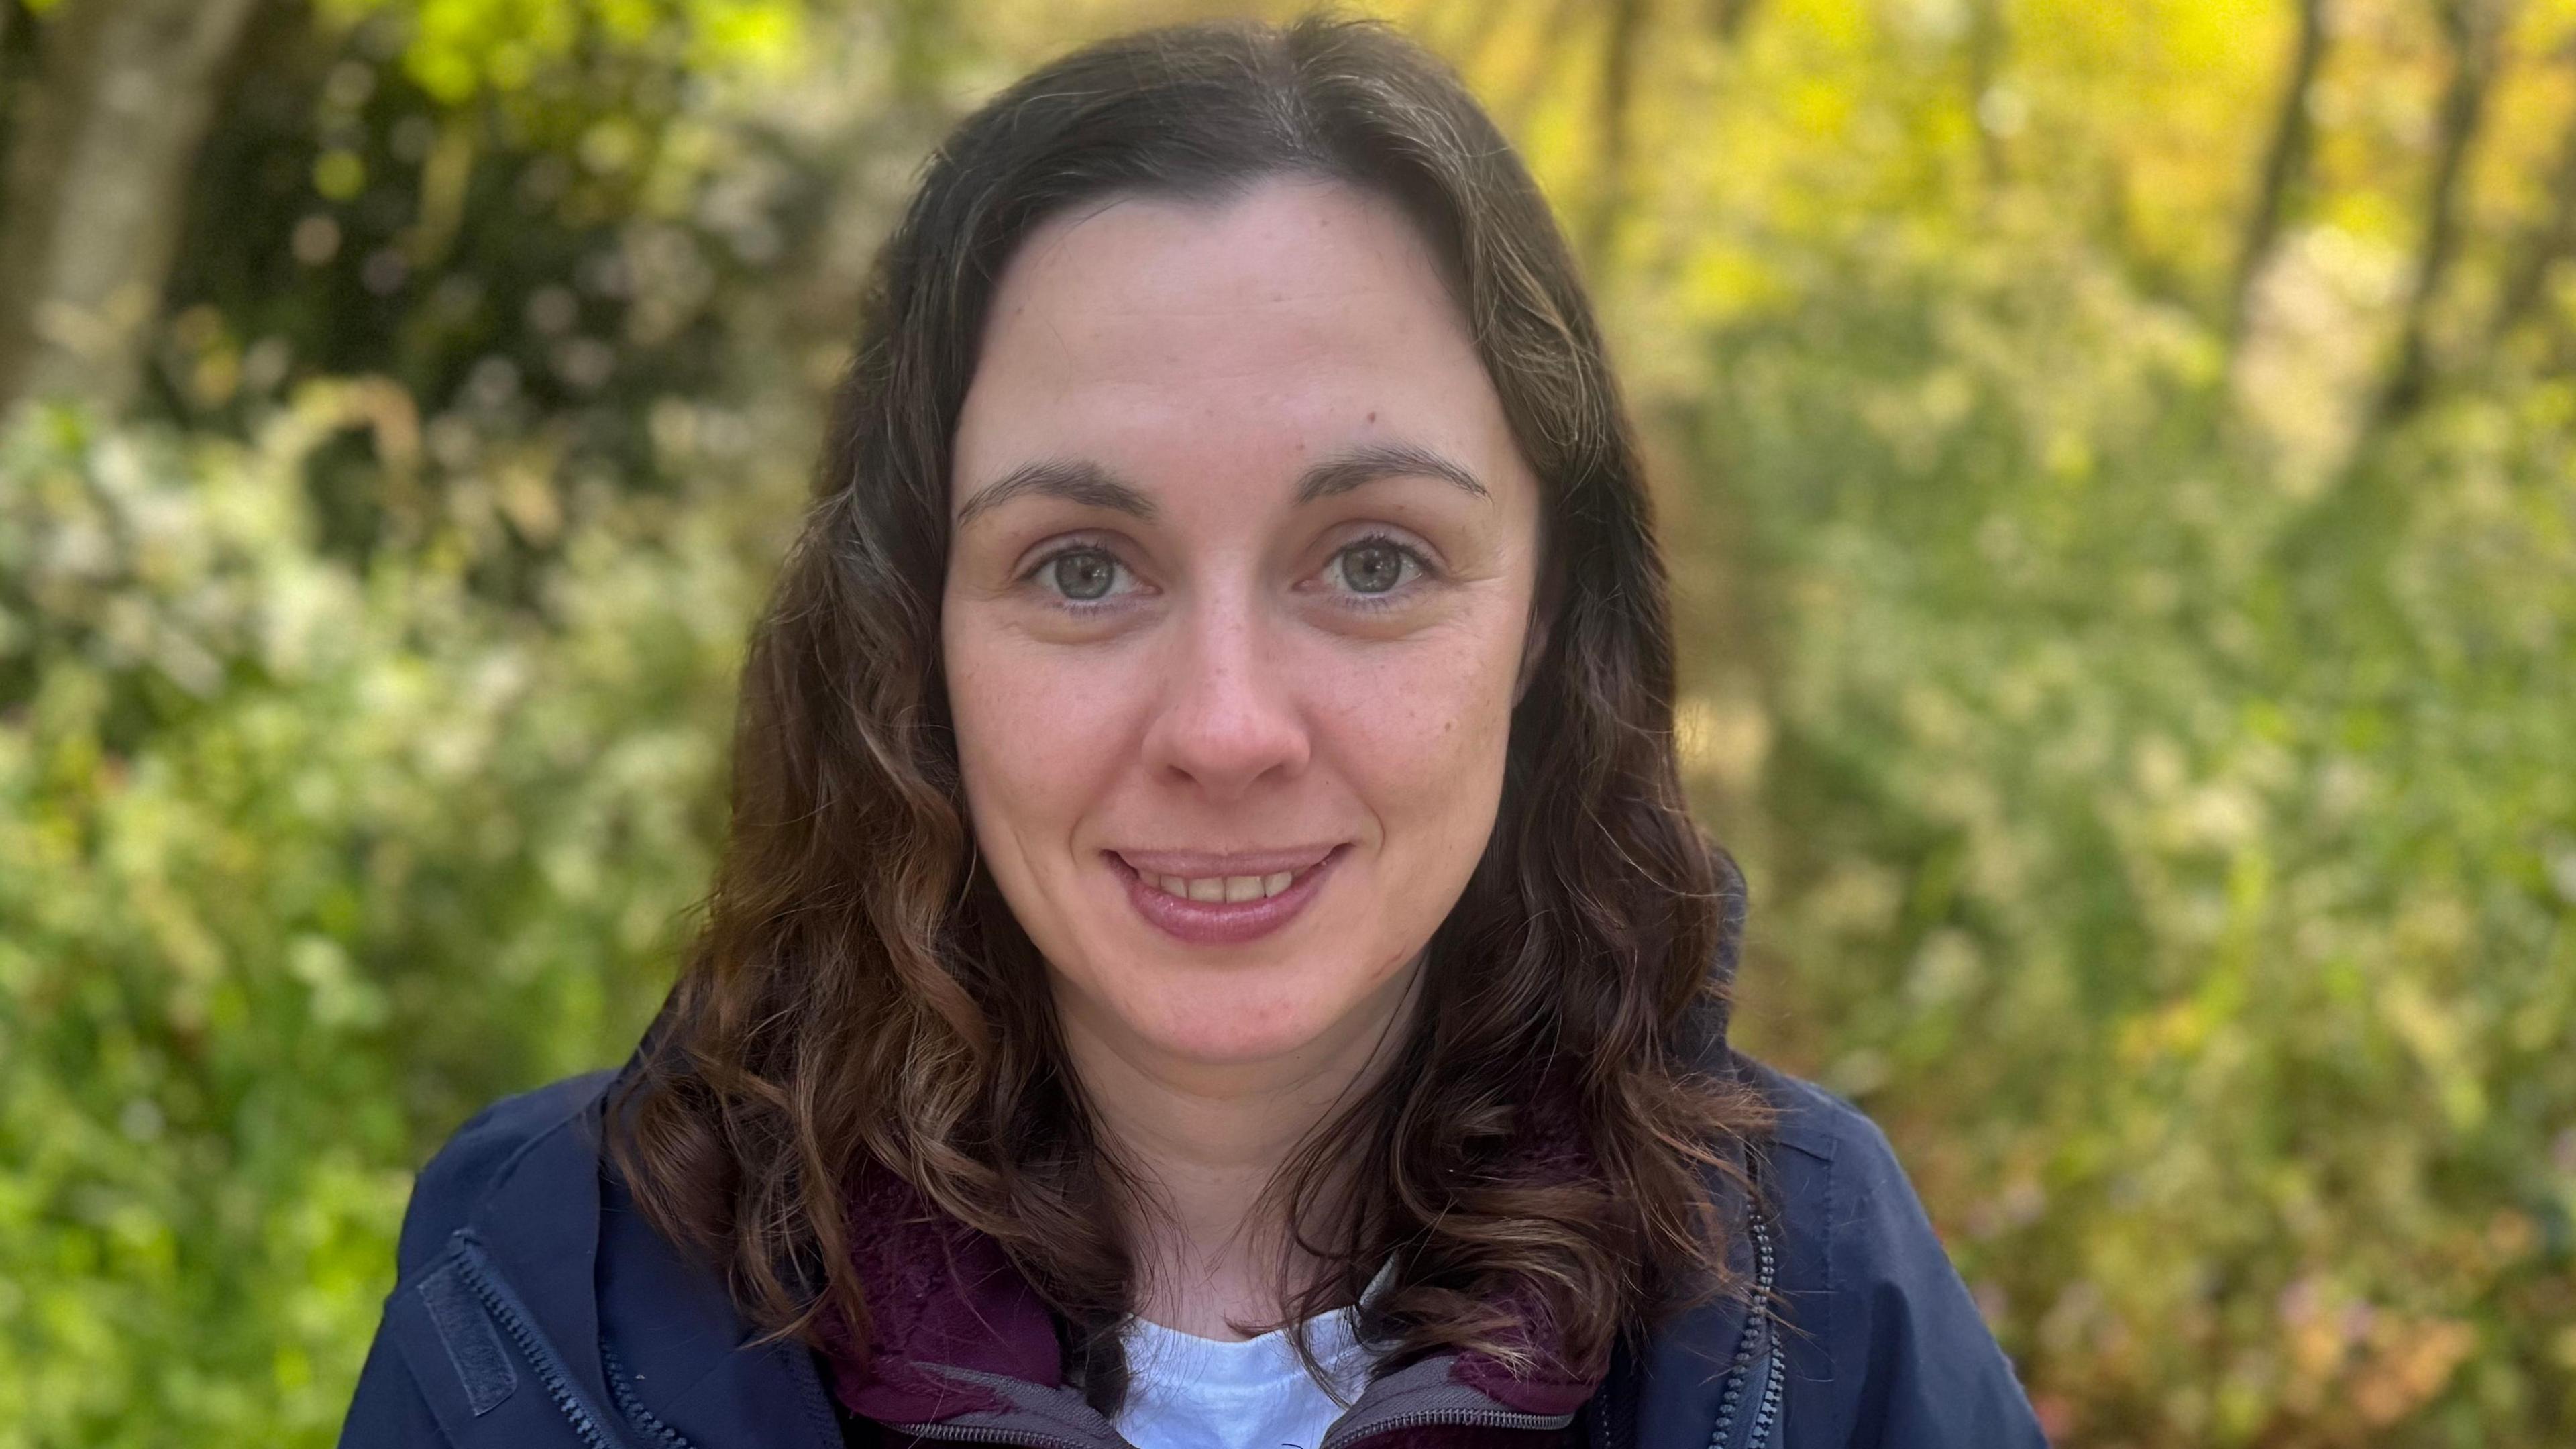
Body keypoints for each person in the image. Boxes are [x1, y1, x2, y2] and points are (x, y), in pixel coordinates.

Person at [337, 16, 2049, 1449]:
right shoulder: (551, 1295)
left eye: (1372, 562)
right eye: (1083, 568)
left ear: (1547, 623)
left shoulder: (1815, 1303)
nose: (1227, 730)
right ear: (909, 633)